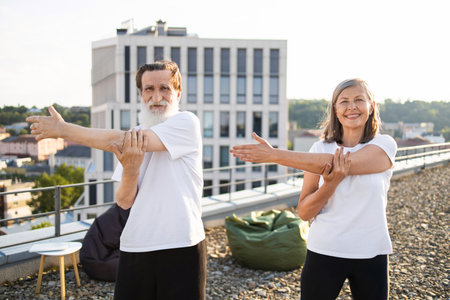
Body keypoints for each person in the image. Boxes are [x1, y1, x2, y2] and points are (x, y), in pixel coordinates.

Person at [27, 61, 206, 300]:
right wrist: (131, 170)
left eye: (164, 88)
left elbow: (121, 140)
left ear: (178, 93)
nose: (156, 96)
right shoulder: (135, 132)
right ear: (141, 94)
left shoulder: (187, 123)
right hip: (136, 246)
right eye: (149, 89)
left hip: (182, 244)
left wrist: (64, 130)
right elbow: (123, 202)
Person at [231, 78, 397, 300]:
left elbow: (342, 163)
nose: (351, 107)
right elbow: (305, 212)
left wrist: (275, 155)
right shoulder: (319, 148)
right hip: (324, 251)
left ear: (372, 105)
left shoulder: (384, 145)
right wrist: (329, 185)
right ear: (335, 109)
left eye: (359, 100)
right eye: (344, 101)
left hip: (371, 251)